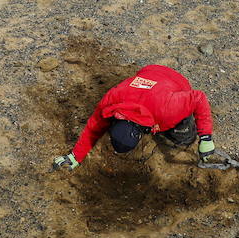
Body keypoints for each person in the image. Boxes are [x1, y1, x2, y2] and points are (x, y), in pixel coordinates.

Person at [53, 64, 216, 169]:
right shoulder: (112, 100)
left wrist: (206, 137)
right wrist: (75, 156)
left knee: (184, 137)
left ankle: (181, 133)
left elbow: (198, 98)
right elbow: (94, 126)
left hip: (174, 81)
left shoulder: (167, 108)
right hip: (147, 73)